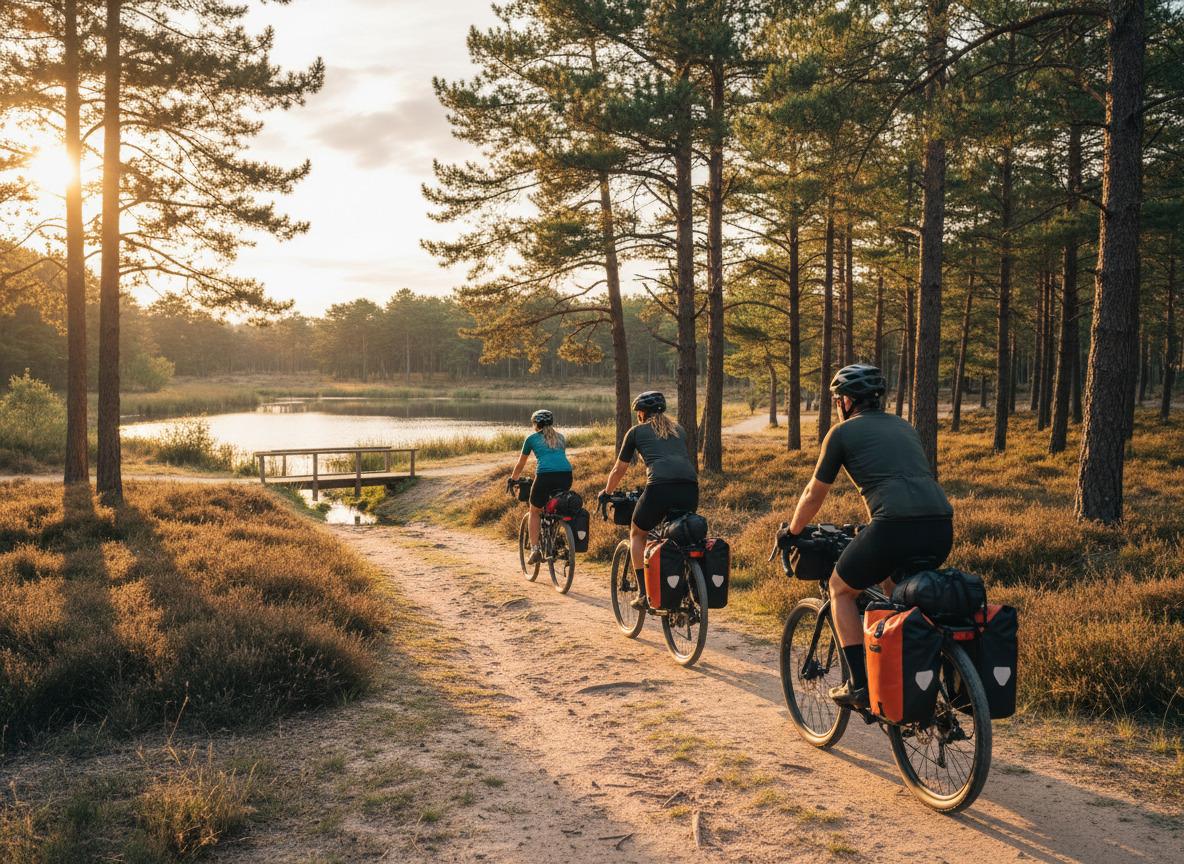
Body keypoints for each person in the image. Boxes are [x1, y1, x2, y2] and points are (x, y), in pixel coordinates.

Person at [779, 364, 954, 708]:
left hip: (893, 527)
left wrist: (792, 531)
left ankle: (859, 684)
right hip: (940, 526)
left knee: (840, 589)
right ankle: (900, 671)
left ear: (847, 401)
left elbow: (814, 493)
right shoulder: (905, 427)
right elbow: (900, 479)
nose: (837, 405)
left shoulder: (841, 433)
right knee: (897, 593)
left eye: (838, 400)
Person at [599, 391, 698, 610]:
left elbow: (619, 469)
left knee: (637, 533)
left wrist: (607, 492)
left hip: (659, 487)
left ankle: (644, 594)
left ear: (642, 413)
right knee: (680, 536)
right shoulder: (679, 430)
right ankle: (687, 593)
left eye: (638, 413)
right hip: (690, 488)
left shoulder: (636, 432)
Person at [509, 409, 573, 564]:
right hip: (566, 475)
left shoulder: (531, 438)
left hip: (545, 476)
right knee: (555, 507)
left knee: (534, 511)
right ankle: (557, 539)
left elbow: (521, 463)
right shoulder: (561, 437)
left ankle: (535, 549)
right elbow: (557, 459)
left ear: (536, 424)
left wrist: (513, 479)